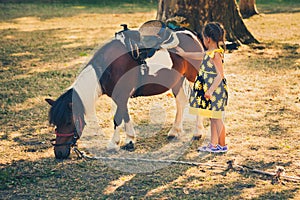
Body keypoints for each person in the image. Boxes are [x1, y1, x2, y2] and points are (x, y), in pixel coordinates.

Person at [176, 22, 228, 153]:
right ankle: (216, 145)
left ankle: (219, 145)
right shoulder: (209, 53)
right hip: (209, 89)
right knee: (213, 117)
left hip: (214, 90)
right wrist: (185, 54)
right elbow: (199, 56)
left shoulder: (216, 54)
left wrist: (210, 90)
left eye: (203, 38)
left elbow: (220, 75)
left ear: (208, 39)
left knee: (217, 119)